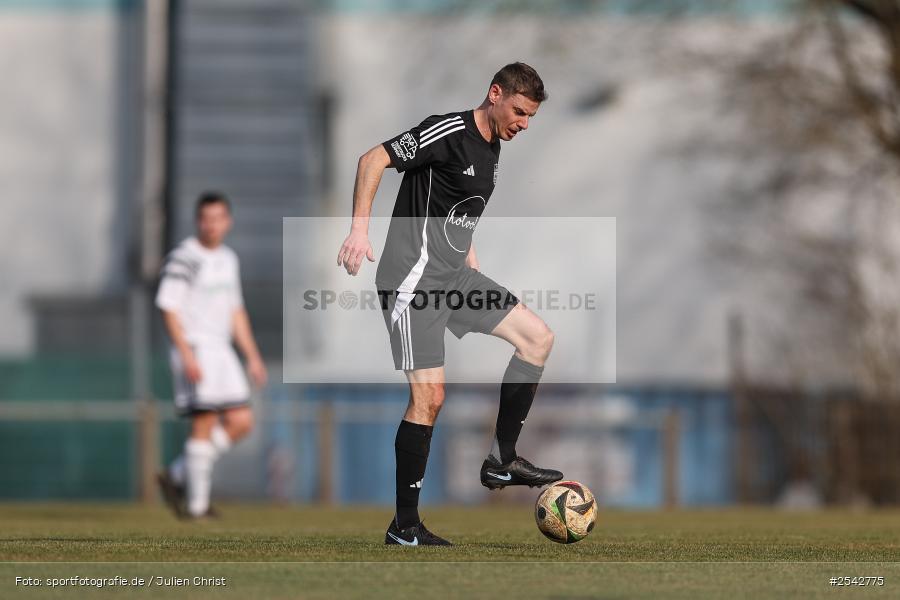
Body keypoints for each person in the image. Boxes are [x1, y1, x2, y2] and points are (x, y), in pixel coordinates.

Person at [337, 62, 563, 546]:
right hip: (412, 282)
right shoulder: (449, 131)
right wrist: (360, 228)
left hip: (454, 277)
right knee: (430, 399)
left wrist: (469, 259)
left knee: (537, 339)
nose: (523, 123)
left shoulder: (492, 150)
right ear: (495, 93)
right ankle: (405, 527)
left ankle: (502, 460)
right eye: (520, 112)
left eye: (530, 118)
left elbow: (457, 213)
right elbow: (371, 159)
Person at [155, 191, 267, 519]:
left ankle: (177, 475)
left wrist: (253, 356)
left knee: (241, 420)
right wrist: (186, 354)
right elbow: (168, 307)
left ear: (227, 222)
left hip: (222, 349)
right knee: (204, 420)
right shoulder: (184, 258)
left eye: (218, 219)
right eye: (206, 219)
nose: (212, 225)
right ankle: (196, 506)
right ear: (197, 221)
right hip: (197, 347)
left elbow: (236, 312)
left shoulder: (229, 259)